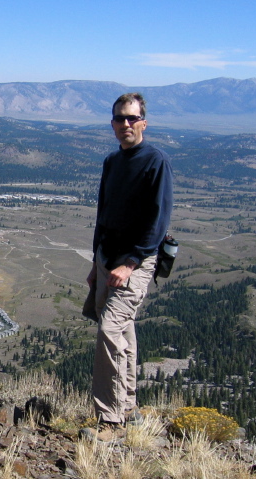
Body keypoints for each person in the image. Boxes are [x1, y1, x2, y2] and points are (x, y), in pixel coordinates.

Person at [86, 93, 173, 427]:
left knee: (109, 329)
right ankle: (127, 405)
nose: (126, 124)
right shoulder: (112, 162)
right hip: (108, 257)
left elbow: (158, 219)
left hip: (137, 261)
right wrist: (97, 263)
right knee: (124, 330)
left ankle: (108, 419)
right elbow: (103, 215)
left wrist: (131, 262)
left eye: (132, 118)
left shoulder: (155, 161)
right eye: (120, 119)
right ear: (112, 124)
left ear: (143, 123)